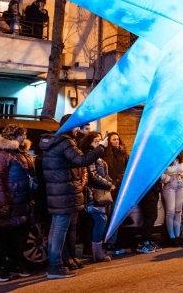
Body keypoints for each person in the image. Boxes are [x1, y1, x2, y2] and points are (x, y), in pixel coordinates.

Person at [40, 119, 107, 279]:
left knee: (57, 227)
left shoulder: (52, 141)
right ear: (70, 126)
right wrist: (101, 147)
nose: (78, 130)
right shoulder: (65, 142)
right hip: (64, 192)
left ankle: (56, 264)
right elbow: (81, 160)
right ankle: (55, 267)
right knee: (60, 228)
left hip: (57, 191)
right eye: (77, 126)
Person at [0, 125, 36, 282]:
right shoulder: (2, 155)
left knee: (20, 236)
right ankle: (1, 268)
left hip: (24, 201)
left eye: (24, 134)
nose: (23, 138)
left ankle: (17, 264)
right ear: (11, 137)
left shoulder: (23, 154)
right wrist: (2, 202)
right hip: (11, 201)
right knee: (5, 236)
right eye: (20, 135)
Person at [80, 132, 115, 262]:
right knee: (100, 220)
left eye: (100, 140)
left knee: (102, 220)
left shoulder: (97, 155)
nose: (99, 142)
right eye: (96, 140)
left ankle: (96, 250)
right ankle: (97, 252)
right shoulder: (90, 156)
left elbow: (103, 173)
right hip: (93, 194)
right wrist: (108, 184)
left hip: (99, 192)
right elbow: (93, 175)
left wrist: (109, 182)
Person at [161, 152, 183, 246]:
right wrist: (168, 179)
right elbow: (160, 173)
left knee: (178, 212)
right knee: (170, 212)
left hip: (180, 185)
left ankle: (177, 236)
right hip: (169, 186)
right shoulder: (165, 157)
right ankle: (171, 237)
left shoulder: (179, 157)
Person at [136, 180, 163, 254]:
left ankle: (147, 240)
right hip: (149, 191)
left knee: (150, 217)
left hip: (152, 191)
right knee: (151, 217)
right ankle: (144, 242)